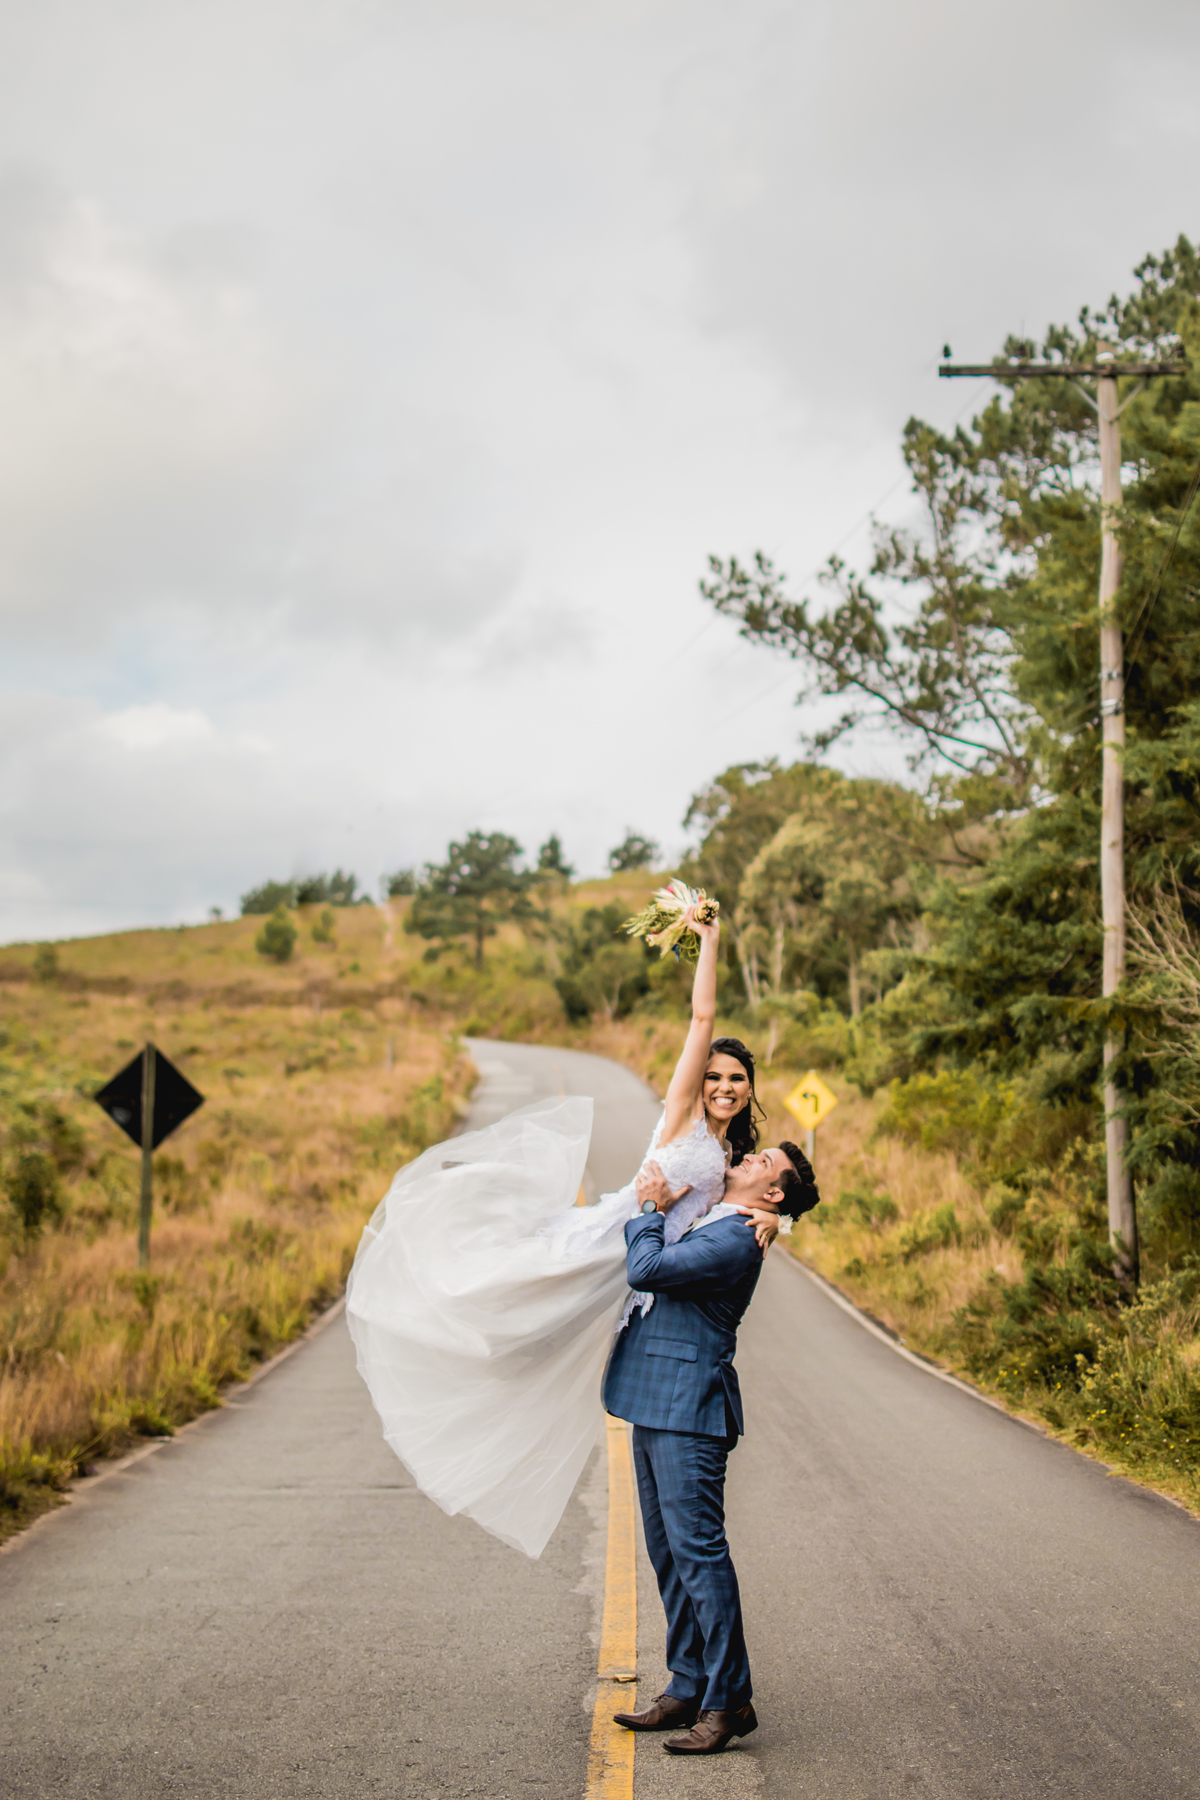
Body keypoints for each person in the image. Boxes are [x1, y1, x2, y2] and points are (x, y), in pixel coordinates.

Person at [345, 906, 818, 1564]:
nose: (724, 1087)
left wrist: (778, 1217)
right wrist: (710, 940)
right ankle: (431, 1314)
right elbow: (702, 1019)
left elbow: (768, 1196)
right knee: (507, 1290)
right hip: (610, 1237)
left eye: (736, 1079)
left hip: (631, 1265)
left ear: (750, 1089)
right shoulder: (683, 1117)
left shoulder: (738, 1155)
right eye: (715, 1077)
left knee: (549, 1337)